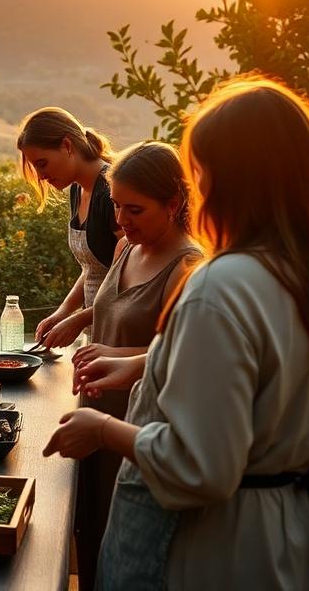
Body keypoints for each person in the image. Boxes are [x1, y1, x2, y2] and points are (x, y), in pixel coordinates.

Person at [44, 76, 309, 590]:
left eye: (200, 172)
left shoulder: (221, 286)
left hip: (235, 546)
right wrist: (143, 362)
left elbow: (199, 466)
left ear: (227, 182)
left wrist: (103, 429)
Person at [70, 141, 202, 591]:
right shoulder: (127, 247)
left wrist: (113, 354)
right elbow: (112, 306)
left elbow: (182, 353)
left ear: (174, 204)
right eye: (116, 206)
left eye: (135, 210)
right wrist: (78, 318)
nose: (121, 221)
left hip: (136, 432)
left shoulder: (187, 268)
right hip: (97, 418)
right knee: (91, 542)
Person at [17, 107, 121, 348]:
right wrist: (62, 313)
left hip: (120, 332)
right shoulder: (76, 189)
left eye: (42, 163)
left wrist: (77, 320)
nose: (41, 176)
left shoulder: (112, 193)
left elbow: (130, 278)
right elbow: (93, 269)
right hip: (96, 329)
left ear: (67, 145)